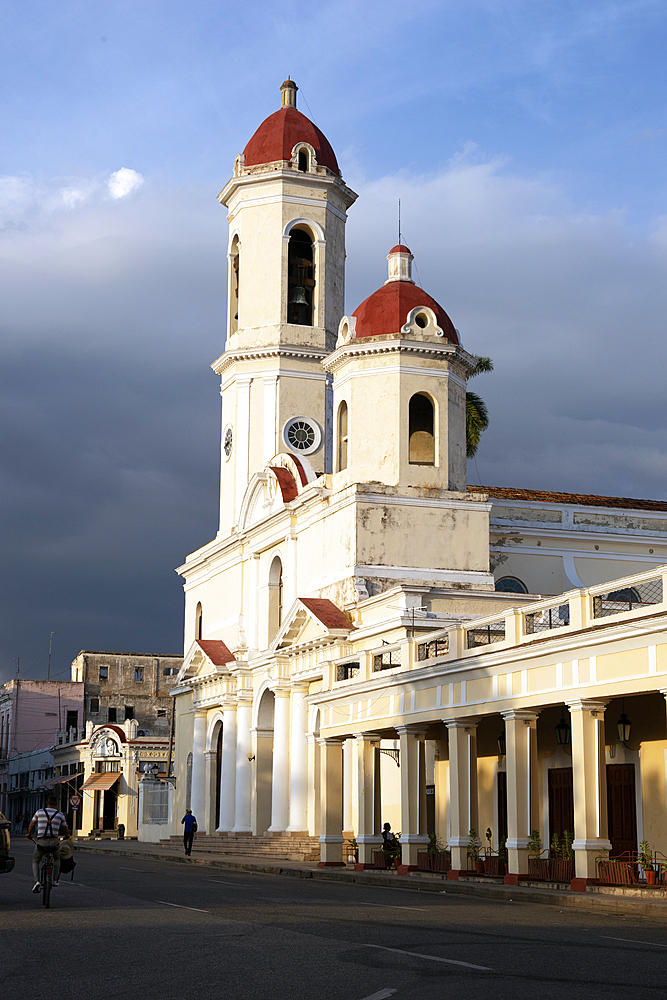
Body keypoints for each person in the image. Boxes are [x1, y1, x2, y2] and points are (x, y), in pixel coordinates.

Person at [26, 795, 70, 893]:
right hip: (54, 843)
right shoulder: (60, 814)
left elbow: (31, 824)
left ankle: (37, 881)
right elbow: (65, 828)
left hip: (41, 842)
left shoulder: (39, 812)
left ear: (47, 803)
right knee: (57, 858)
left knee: (35, 861)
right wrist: (67, 836)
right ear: (56, 804)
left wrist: (29, 834)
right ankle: (54, 879)